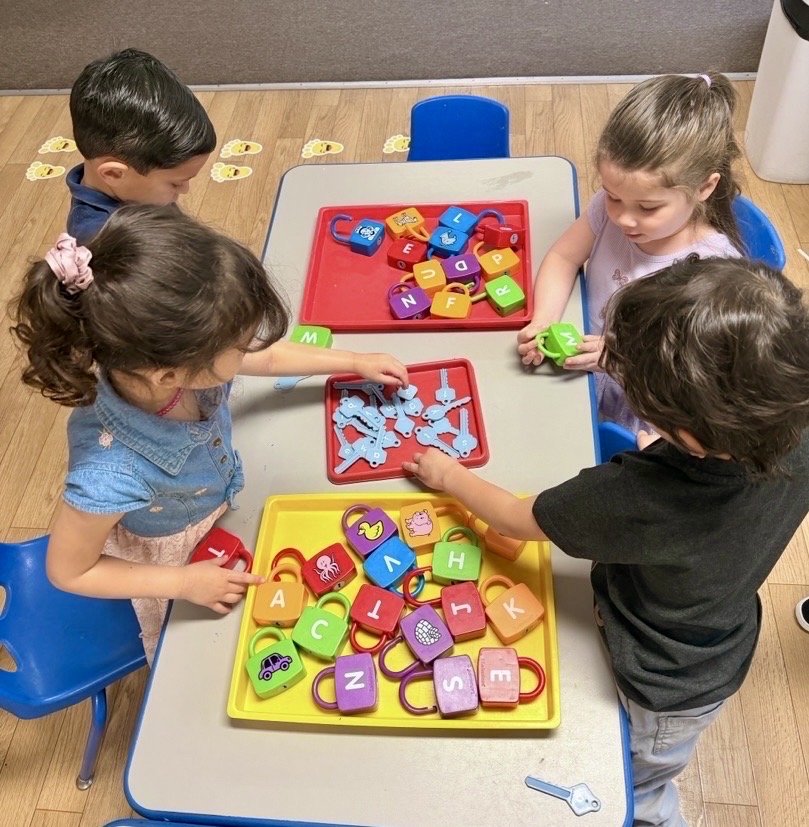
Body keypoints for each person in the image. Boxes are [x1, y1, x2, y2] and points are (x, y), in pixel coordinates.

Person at [406, 256, 809, 826]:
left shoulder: (638, 497)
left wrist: (449, 475)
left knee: (636, 787)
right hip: (716, 634)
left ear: (689, 436)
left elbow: (516, 518)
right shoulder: (792, 414)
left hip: (661, 684)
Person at [10, 205, 408, 664]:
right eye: (238, 346)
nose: (249, 349)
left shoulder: (170, 362)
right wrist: (183, 583)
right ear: (170, 375)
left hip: (221, 509)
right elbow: (69, 572)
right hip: (173, 560)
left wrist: (353, 362)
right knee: (201, 660)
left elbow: (267, 358)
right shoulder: (108, 475)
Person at [517, 72, 744, 434]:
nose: (623, 217)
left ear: (704, 187)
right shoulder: (617, 207)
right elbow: (563, 257)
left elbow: (697, 380)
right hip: (582, 383)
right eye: (613, 196)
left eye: (648, 208)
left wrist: (621, 361)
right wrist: (543, 319)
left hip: (642, 413)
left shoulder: (714, 272)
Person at [66, 48, 216, 244]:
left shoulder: (134, 191)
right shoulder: (104, 242)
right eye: (175, 183)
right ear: (114, 173)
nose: (185, 190)